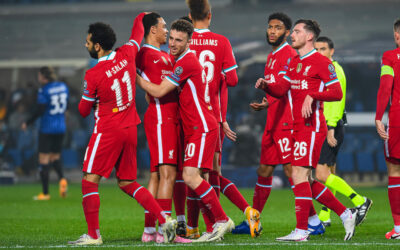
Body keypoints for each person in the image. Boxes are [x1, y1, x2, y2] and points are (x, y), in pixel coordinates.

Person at [68, 13, 177, 245]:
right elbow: (138, 29)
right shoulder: (127, 53)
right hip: (130, 128)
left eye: (87, 42)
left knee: (89, 180)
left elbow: (84, 110)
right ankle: (164, 219)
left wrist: (92, 98)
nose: (85, 44)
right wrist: (145, 14)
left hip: (107, 129)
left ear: (97, 46)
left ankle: (93, 235)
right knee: (128, 182)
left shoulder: (93, 74)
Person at [256, 19, 357, 242]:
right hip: (296, 125)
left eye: (297, 31)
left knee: (299, 175)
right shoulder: (294, 62)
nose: (292, 35)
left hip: (313, 126)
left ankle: (302, 231)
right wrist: (267, 86)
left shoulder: (322, 63)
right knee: (306, 179)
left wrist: (313, 95)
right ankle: (345, 213)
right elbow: (282, 89)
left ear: (309, 36)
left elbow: (337, 93)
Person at [136, 18, 234, 242]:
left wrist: (137, 78)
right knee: (198, 177)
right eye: (170, 38)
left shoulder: (186, 62)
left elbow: (160, 91)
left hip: (201, 127)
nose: (172, 43)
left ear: (189, 41)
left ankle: (221, 219)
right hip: (195, 129)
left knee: (190, 176)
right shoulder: (179, 60)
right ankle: (213, 225)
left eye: (179, 40)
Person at [185, 0, 261, 239]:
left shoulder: (183, 42)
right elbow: (233, 80)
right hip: (213, 116)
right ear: (210, 15)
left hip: (189, 115)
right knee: (210, 172)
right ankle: (246, 211)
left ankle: (205, 226)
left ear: (189, 15)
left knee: (195, 174)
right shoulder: (221, 42)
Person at [136, 12, 190, 244]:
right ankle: (164, 231)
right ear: (152, 30)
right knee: (167, 173)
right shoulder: (146, 55)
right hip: (161, 119)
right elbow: (155, 90)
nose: (167, 31)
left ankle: (150, 230)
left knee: (158, 174)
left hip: (167, 119)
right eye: (164, 26)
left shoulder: (163, 55)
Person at [315, 36, 372, 228]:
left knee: (321, 174)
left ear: (332, 51)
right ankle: (325, 213)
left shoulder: (334, 71)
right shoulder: (323, 70)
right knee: (329, 171)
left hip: (331, 126)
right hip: (328, 125)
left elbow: (336, 102)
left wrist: (330, 128)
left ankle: (359, 201)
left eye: (323, 49)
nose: (319, 52)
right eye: (316, 49)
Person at [22, 66, 69, 201]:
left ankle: (45, 193)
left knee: (43, 160)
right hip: (60, 127)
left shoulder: (43, 90)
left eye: (39, 75)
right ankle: (62, 179)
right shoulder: (63, 86)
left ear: (43, 77)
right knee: (55, 157)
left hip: (47, 128)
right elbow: (66, 106)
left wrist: (27, 122)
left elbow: (40, 110)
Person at [375, 18, 400, 240]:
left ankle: (399, 229)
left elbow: (385, 87)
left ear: (396, 35)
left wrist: (378, 117)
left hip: (398, 121)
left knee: (394, 172)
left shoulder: (390, 57)